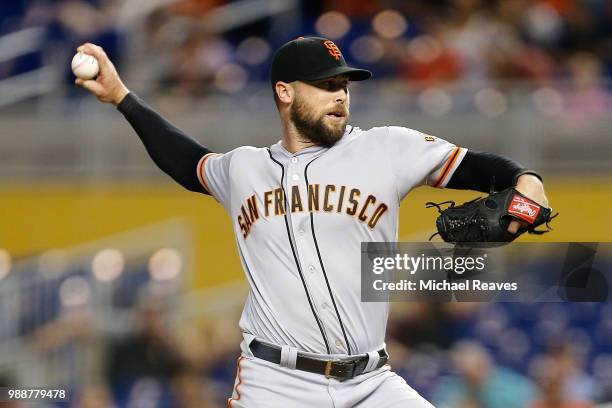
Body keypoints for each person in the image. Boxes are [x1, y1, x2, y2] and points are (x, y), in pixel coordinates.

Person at [75, 36, 549, 407]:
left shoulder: (387, 148)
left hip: (371, 383)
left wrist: (526, 183)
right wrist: (122, 97)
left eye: (343, 84)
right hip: (276, 384)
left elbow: (484, 170)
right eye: (325, 85)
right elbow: (186, 161)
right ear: (284, 92)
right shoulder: (243, 169)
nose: (340, 95)